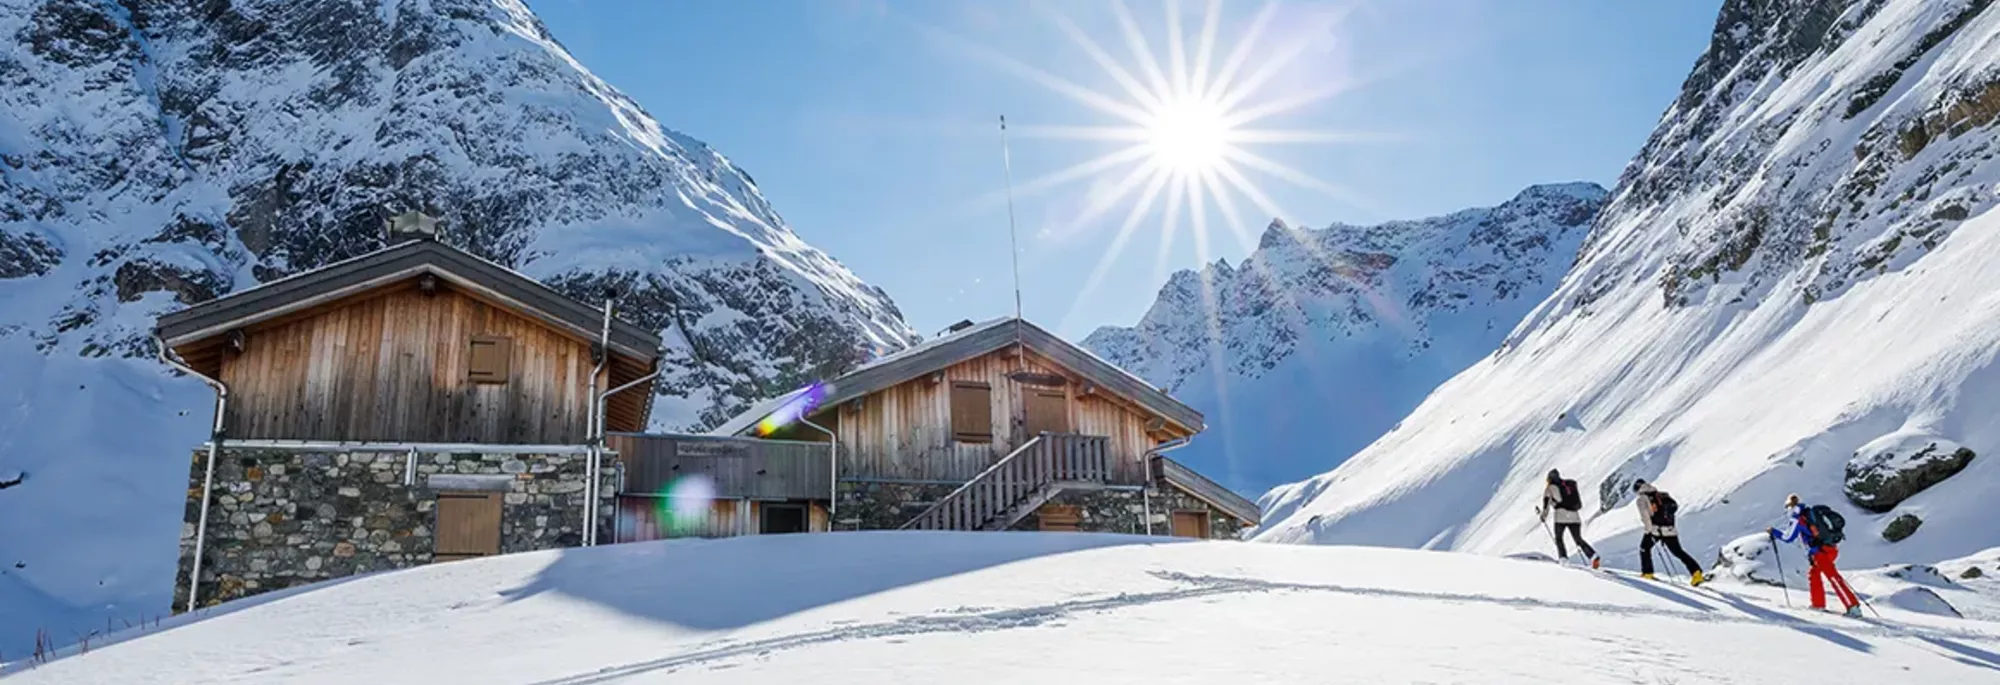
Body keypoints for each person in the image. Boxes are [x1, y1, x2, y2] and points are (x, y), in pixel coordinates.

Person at [1769, 493, 1861, 617]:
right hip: (1830, 548)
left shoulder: (1798, 518)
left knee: (1833, 577)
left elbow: (1788, 537)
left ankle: (1853, 606)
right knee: (1814, 574)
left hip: (1820, 552)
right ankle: (1818, 604)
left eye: (1788, 507)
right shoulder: (1811, 513)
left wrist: (1773, 532)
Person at [1633, 479, 1704, 585]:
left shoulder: (1642, 499)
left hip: (1656, 530)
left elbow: (1646, 517)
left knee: (1644, 548)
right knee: (1679, 552)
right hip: (1670, 529)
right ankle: (1696, 573)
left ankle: (1647, 573)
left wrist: (1648, 531)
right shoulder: (1661, 495)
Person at [1538, 469, 1600, 568]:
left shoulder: (1550, 488)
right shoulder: (1568, 485)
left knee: (1559, 538)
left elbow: (1546, 505)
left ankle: (1563, 559)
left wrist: (1543, 516)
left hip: (1560, 517)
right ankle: (1593, 556)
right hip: (1575, 516)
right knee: (1578, 540)